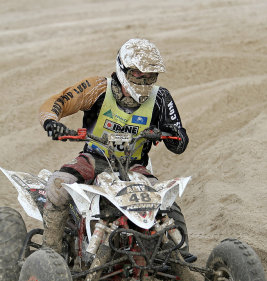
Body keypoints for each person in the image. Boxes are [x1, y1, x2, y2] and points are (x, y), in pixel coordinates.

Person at [39, 38, 196, 268]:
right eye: (137, 74)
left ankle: (177, 254)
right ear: (122, 70)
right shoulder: (98, 88)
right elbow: (58, 101)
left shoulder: (160, 97)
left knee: (164, 200)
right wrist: (52, 122)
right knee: (58, 185)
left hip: (135, 167)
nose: (144, 81)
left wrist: (170, 134)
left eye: (150, 76)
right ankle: (50, 256)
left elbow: (179, 142)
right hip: (94, 159)